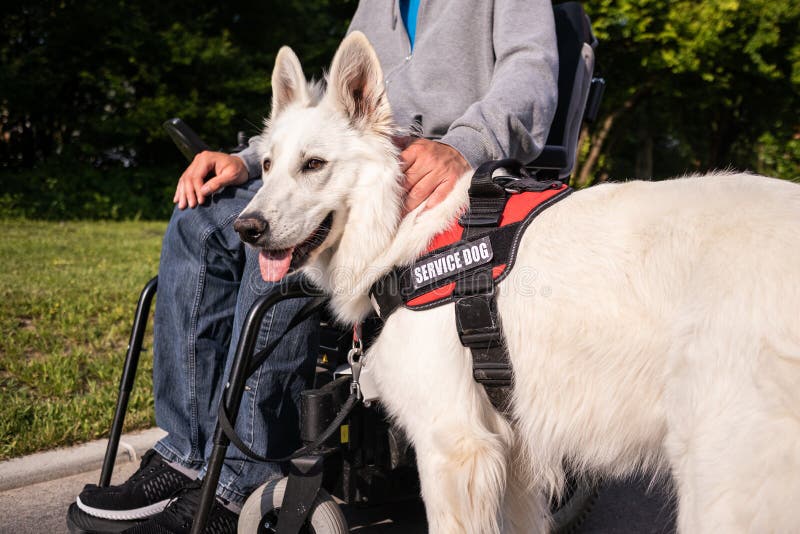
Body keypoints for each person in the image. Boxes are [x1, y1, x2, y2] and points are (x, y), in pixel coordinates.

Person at [74, 1, 558, 532]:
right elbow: (327, 114)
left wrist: (465, 145)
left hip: (439, 174)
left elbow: (531, 72)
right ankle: (188, 455)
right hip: (356, 155)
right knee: (200, 221)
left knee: (280, 254)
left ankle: (239, 481)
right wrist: (247, 157)